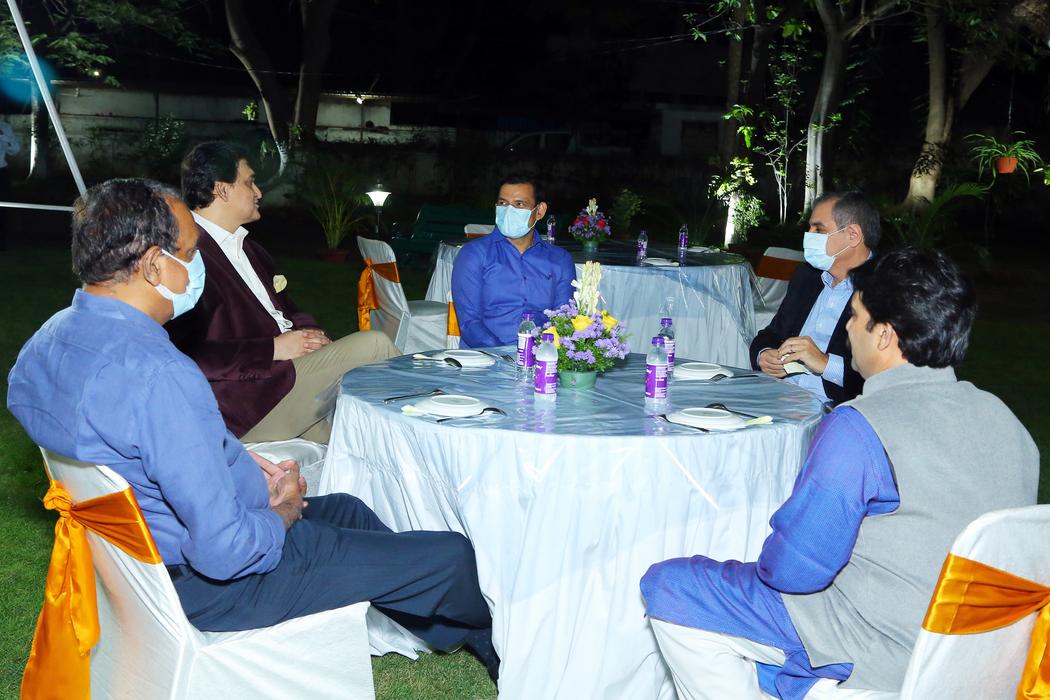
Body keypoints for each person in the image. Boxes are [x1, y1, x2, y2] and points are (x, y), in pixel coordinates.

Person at [7, 179, 499, 678]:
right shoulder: (159, 374)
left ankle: (440, 617)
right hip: (215, 582)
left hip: (138, 555)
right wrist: (281, 511)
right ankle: (495, 638)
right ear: (155, 265)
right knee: (449, 555)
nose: (198, 266)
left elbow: (133, 448)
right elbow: (225, 554)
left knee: (348, 510)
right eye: (191, 253)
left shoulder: (47, 341)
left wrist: (232, 466)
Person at [641, 247, 1038, 699]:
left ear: (884, 335)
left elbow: (793, 572)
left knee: (672, 586)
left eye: (854, 316)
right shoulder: (1007, 422)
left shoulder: (862, 425)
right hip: (982, 657)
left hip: (882, 648)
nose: (847, 330)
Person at [167, 142, 398, 443]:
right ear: (222, 189)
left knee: (355, 446)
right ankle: (432, 424)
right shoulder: (186, 258)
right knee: (376, 345)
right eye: (249, 182)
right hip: (244, 403)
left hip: (285, 382)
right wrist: (273, 349)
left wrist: (312, 334)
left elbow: (289, 308)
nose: (258, 192)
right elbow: (185, 354)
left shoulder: (250, 250)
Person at [750, 191, 879, 404]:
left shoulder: (885, 288)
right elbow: (772, 333)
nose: (808, 236)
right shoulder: (807, 277)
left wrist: (825, 364)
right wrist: (763, 355)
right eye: (809, 228)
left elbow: (885, 376)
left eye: (819, 229)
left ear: (853, 235)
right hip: (780, 396)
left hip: (840, 408)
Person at [450, 174, 575, 347]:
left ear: (539, 211)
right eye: (503, 203)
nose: (508, 210)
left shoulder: (559, 260)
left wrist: (540, 353)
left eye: (519, 204)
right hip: (485, 355)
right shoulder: (474, 254)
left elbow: (563, 320)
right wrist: (506, 355)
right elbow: (469, 323)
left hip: (542, 354)